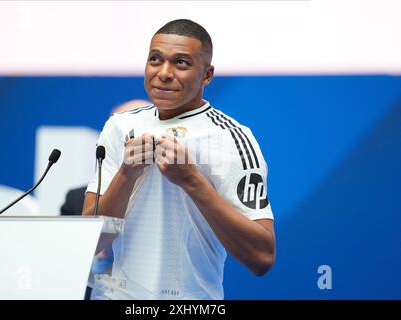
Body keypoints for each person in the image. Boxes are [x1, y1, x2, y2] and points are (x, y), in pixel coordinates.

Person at [83, 19, 275, 300]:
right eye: (155, 60)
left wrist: (192, 181)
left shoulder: (232, 137)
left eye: (181, 63)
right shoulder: (119, 127)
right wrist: (126, 174)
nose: (163, 73)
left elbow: (262, 257)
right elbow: (90, 243)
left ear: (207, 75)